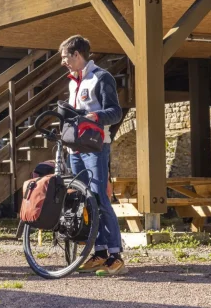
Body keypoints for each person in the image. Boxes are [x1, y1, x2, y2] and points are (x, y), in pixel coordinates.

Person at [59, 35, 127, 275]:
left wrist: (94, 116)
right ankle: (99, 253)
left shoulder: (101, 77)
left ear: (77, 55)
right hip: (75, 149)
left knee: (99, 197)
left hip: (97, 147)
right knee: (85, 200)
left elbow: (115, 113)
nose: (63, 62)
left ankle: (115, 254)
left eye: (65, 57)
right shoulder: (71, 82)